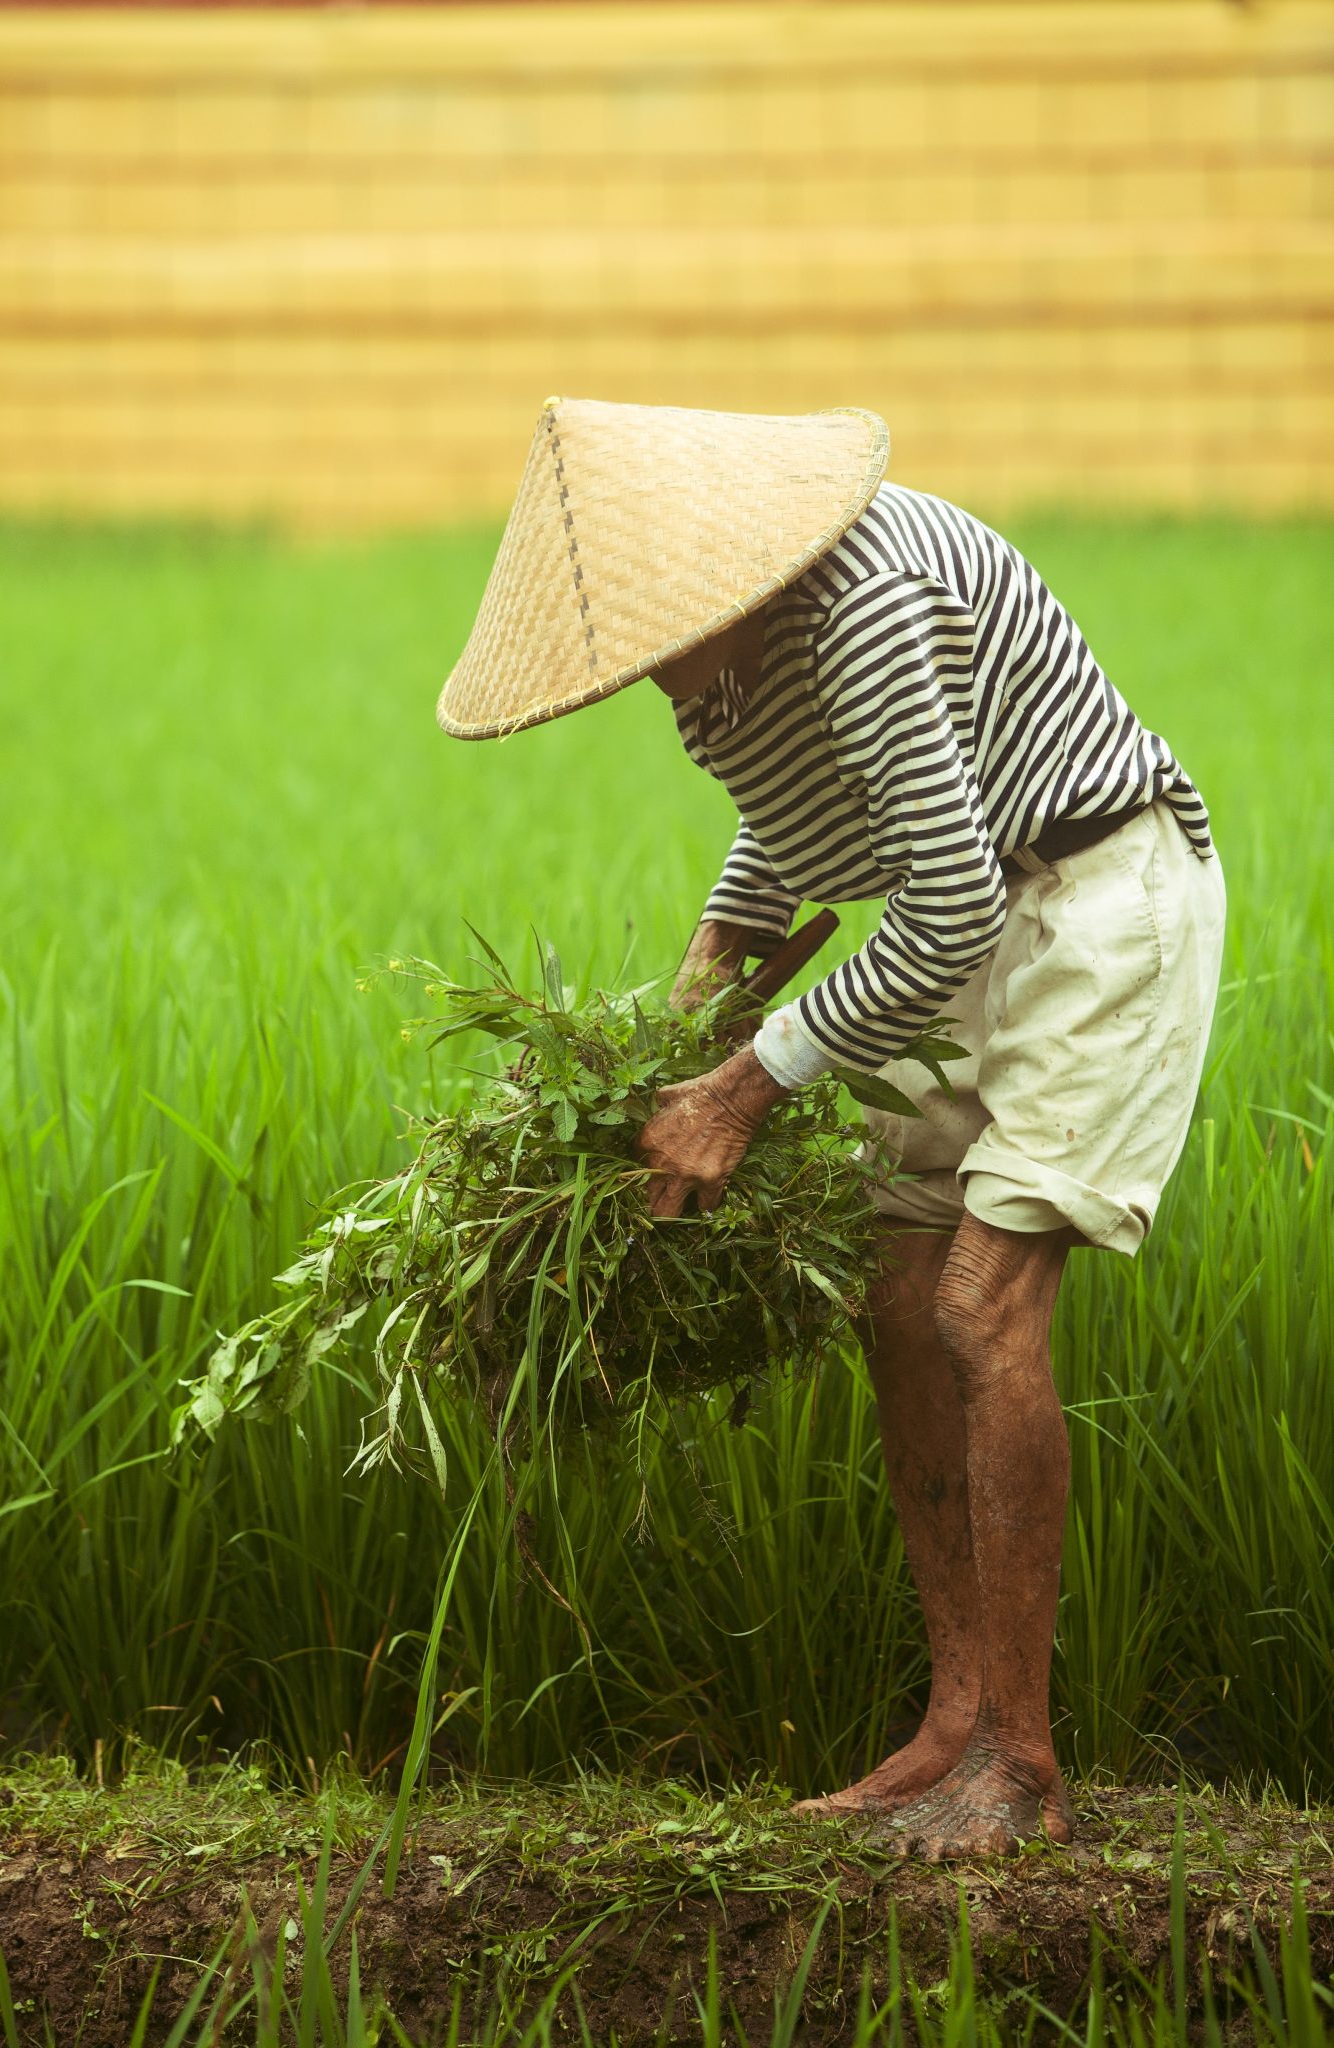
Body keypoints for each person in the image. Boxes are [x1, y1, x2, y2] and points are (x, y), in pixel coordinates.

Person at [438, 398, 1225, 1860]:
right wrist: (681, 1024)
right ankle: (953, 1717)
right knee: (890, 1287)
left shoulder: (862, 602)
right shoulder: (732, 656)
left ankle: (1020, 1761)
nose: (653, 678)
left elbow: (942, 910)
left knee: (981, 1308)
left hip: (1094, 904)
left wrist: (741, 1091)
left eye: (657, 641)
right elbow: (792, 818)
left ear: (715, 578)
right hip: (978, 917)